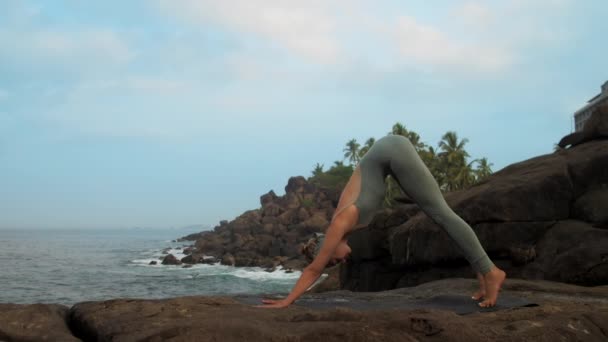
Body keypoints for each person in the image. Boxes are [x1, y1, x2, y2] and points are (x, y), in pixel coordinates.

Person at [259, 134, 506, 309]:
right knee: (441, 214)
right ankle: (482, 274)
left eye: (334, 259)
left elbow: (314, 269)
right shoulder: (343, 223)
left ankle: (491, 272)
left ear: (328, 245)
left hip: (391, 151)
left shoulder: (340, 223)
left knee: (441, 213)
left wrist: (287, 301)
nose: (342, 260)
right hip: (388, 154)